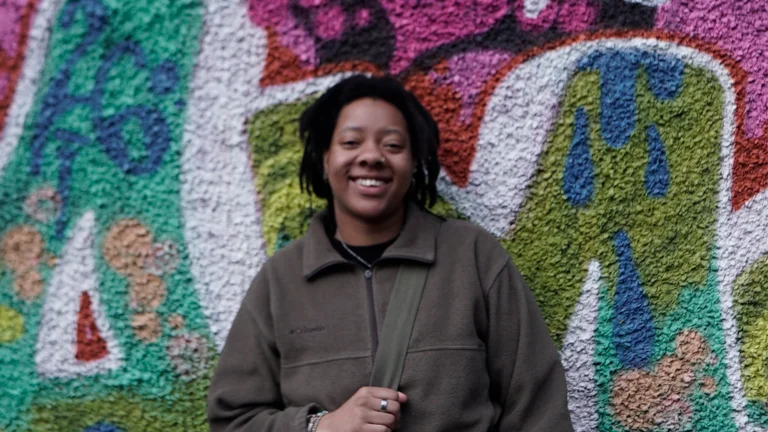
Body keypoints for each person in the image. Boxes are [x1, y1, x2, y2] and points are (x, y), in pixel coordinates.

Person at [207, 75, 573, 431]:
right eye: (351, 142)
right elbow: (232, 419)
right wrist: (321, 426)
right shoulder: (280, 280)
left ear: (414, 162)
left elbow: (538, 406)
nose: (371, 156)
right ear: (324, 158)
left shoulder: (473, 257)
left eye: (393, 145)